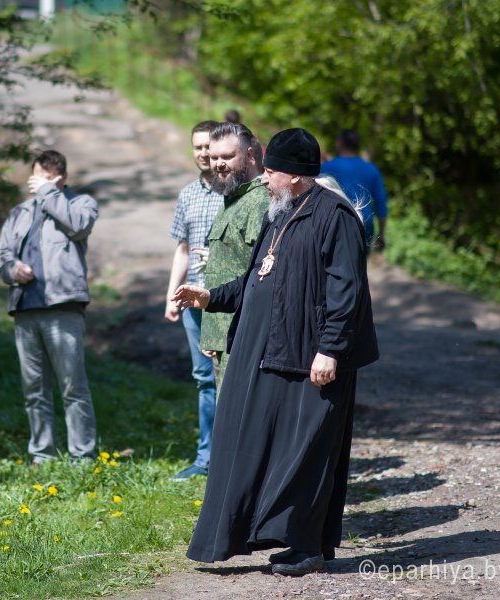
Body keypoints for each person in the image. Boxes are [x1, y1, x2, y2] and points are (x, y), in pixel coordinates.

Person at [172, 128, 379, 576]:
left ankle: (307, 546)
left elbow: (347, 290)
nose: (263, 178)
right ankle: (269, 536)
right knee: (258, 445)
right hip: (269, 349)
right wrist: (210, 297)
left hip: (311, 357)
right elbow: (257, 278)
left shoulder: (335, 216)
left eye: (270, 171)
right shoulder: (280, 212)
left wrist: (330, 350)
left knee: (306, 452)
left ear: (296, 174)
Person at [0, 150, 98, 464]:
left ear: (61, 179)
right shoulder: (20, 212)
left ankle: (83, 456)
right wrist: (13, 270)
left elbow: (78, 226)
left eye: (47, 179)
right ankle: (42, 455)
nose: (38, 184)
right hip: (26, 308)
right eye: (36, 178)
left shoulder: (80, 204)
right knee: (34, 389)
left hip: (63, 307)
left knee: (73, 386)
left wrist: (48, 192)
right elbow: (2, 256)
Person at [165, 120, 224, 480]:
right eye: (198, 147)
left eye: (208, 147)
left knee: (229, 377)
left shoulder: (236, 191)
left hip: (225, 300)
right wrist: (171, 294)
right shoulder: (187, 194)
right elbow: (182, 249)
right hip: (192, 302)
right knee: (203, 378)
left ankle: (232, 458)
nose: (203, 153)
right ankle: (205, 459)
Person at [199, 123, 270, 386]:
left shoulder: (259, 201)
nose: (218, 164)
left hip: (243, 339)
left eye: (227, 156)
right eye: (214, 157)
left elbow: (262, 274)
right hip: (223, 337)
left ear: (250, 155)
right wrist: (211, 333)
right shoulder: (232, 197)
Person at [320, 129, 389, 250]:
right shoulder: (371, 169)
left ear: (340, 143)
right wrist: (382, 234)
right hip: (364, 226)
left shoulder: (326, 167)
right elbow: (381, 203)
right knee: (359, 261)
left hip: (333, 224)